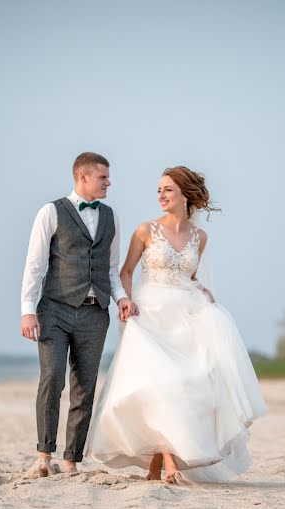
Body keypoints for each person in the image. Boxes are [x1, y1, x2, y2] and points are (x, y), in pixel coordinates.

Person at [85, 166, 267, 483]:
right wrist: (125, 302)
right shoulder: (145, 230)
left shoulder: (201, 237)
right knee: (161, 384)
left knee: (188, 384)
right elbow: (126, 271)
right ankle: (169, 462)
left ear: (185, 193)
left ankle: (158, 466)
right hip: (149, 314)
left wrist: (201, 289)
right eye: (159, 190)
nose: (161, 195)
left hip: (186, 316)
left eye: (168, 189)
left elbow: (191, 276)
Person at [20, 152, 138, 477]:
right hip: (54, 310)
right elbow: (35, 264)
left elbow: (111, 268)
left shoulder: (111, 216)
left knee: (84, 387)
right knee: (52, 378)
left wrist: (122, 298)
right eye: (103, 177)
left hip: (95, 313)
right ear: (83, 177)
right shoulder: (50, 211)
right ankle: (44, 456)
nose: (109, 182)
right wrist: (27, 311)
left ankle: (71, 461)